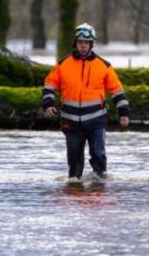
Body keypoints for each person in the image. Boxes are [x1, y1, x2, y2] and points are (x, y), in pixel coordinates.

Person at [41, 23, 130, 182]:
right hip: (70, 121)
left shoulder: (104, 66)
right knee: (74, 165)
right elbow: (49, 86)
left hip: (96, 120)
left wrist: (123, 113)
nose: (83, 46)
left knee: (98, 153)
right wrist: (48, 105)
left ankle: (99, 184)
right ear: (75, 43)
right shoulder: (62, 65)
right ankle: (74, 191)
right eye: (80, 42)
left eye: (87, 43)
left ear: (91, 44)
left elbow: (117, 90)